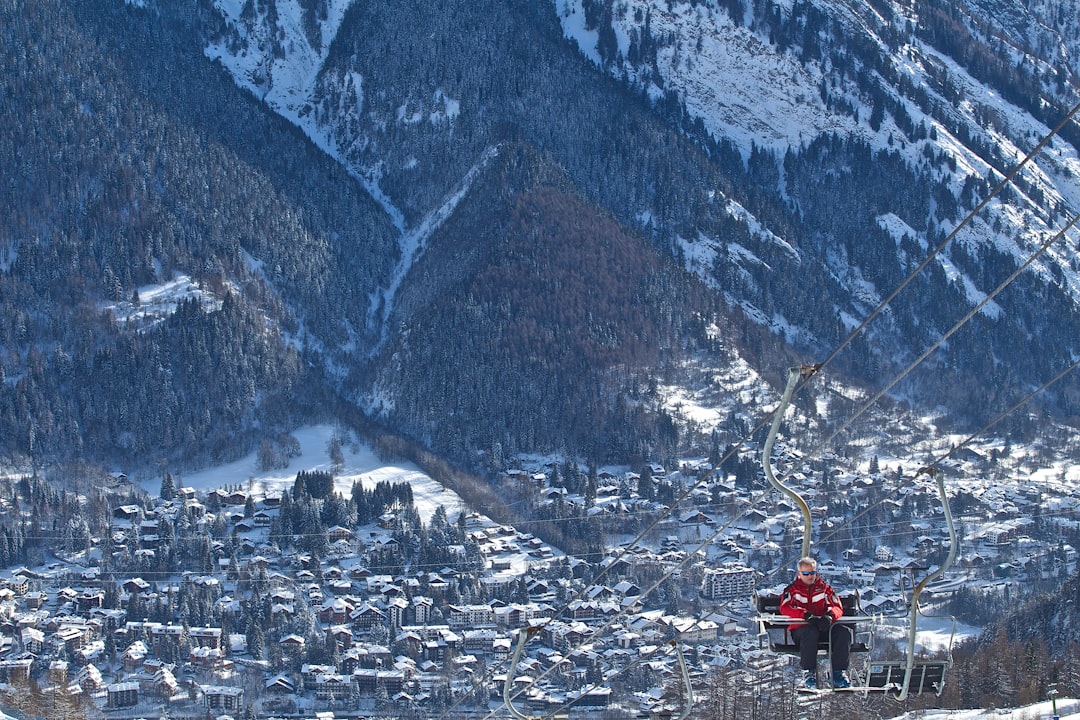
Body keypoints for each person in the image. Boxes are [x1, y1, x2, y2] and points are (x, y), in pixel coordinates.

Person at [779, 557, 852, 689]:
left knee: (843, 632)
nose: (810, 576)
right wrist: (804, 615)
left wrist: (829, 617)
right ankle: (809, 672)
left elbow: (836, 606)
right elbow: (785, 608)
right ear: (799, 573)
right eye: (806, 574)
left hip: (823, 627)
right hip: (802, 630)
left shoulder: (824, 589)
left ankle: (837, 673)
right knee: (810, 633)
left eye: (812, 573)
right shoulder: (792, 590)